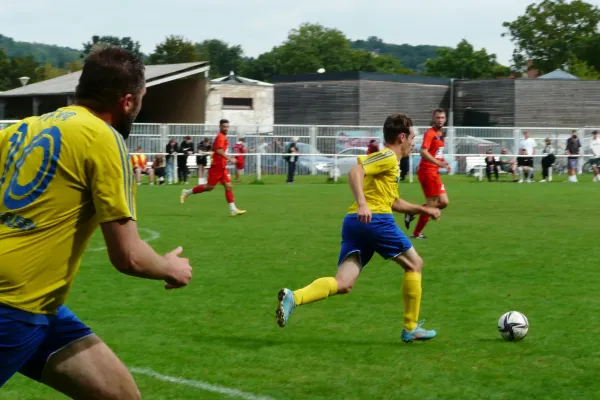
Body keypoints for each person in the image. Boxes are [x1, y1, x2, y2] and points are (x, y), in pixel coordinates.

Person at [0, 45, 192, 397]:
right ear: (128, 101)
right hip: (11, 305)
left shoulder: (19, 131)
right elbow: (128, 256)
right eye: (142, 98)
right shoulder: (103, 138)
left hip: (42, 307)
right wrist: (169, 267)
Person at [275, 113, 440, 343]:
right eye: (413, 137)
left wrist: (423, 210)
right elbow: (355, 172)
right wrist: (363, 203)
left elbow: (394, 202)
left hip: (355, 222)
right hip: (375, 221)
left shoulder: (391, 163)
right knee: (415, 264)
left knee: (343, 283)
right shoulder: (388, 157)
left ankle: (294, 297)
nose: (415, 142)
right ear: (402, 136)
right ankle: (410, 328)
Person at [180, 119, 246, 216]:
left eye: (227, 127)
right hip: (217, 167)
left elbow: (215, 149)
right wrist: (230, 158)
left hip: (222, 167)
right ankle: (186, 192)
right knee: (209, 187)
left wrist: (213, 152)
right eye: (224, 127)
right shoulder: (220, 137)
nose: (226, 128)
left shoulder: (222, 137)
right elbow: (219, 150)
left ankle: (233, 209)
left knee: (228, 186)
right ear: (220, 127)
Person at [405, 108, 450, 240]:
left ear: (445, 119)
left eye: (442, 118)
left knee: (444, 202)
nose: (440, 120)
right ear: (433, 118)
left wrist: (444, 163)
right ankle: (417, 233)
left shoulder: (441, 134)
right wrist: (438, 163)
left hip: (434, 171)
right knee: (432, 204)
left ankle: (411, 212)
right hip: (427, 171)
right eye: (437, 118)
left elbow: (437, 152)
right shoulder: (430, 133)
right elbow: (423, 151)